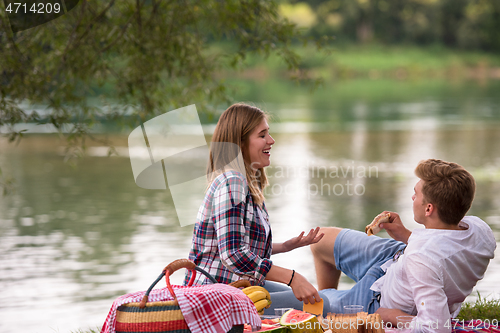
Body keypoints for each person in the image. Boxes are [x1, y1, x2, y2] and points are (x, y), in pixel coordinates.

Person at [309, 159, 496, 332]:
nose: (412, 197)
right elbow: (444, 244)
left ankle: (328, 310)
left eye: (416, 193)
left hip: (376, 303)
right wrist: (406, 235)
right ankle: (330, 301)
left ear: (429, 208)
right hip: (396, 257)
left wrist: (392, 316)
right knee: (320, 239)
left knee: (309, 305)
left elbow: (435, 328)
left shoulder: (423, 259)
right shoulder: (480, 229)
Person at [184, 103, 324, 305]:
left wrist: (285, 246)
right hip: (214, 298)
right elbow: (232, 254)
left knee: (318, 299)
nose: (271, 140)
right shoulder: (232, 182)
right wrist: (292, 277)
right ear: (240, 143)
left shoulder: (245, 183)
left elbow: (240, 246)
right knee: (322, 304)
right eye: (262, 135)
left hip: (238, 288)